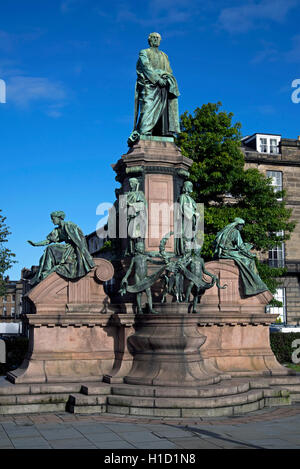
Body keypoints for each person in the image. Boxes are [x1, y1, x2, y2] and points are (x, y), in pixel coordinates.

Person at [128, 32, 180, 146]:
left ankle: (164, 132)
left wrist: (166, 78)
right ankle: (144, 131)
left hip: (163, 88)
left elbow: (169, 71)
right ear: (149, 40)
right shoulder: (144, 52)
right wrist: (157, 79)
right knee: (146, 108)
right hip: (149, 86)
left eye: (158, 38)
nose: (156, 40)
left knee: (164, 111)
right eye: (154, 38)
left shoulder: (164, 55)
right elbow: (146, 67)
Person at [28, 211, 95, 285]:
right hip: (67, 247)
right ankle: (45, 272)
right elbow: (48, 241)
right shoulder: (57, 230)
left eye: (53, 218)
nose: (52, 221)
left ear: (59, 218)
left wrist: (84, 255)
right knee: (47, 251)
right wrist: (35, 244)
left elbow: (80, 240)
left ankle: (46, 271)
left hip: (74, 249)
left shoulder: (69, 225)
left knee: (50, 248)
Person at [213, 218, 269, 296]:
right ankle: (254, 285)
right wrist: (249, 254)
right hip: (228, 252)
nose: (242, 227)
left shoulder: (226, 230)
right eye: (241, 225)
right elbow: (241, 246)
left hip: (223, 252)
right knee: (249, 261)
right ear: (237, 225)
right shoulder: (236, 232)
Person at [175, 181, 200, 256]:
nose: (191, 188)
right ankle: (186, 253)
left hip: (191, 220)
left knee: (191, 237)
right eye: (189, 186)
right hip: (186, 220)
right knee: (187, 237)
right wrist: (193, 214)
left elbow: (194, 208)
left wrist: (195, 214)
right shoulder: (182, 197)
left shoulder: (191, 199)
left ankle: (188, 254)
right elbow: (183, 208)